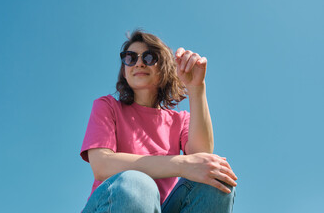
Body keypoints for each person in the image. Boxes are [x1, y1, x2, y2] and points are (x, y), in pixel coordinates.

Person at [80, 30, 237, 213]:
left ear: (164, 68)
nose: (138, 62)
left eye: (148, 57)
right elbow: (102, 164)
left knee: (216, 176)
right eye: (130, 58)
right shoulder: (107, 106)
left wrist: (196, 88)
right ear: (124, 71)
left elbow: (201, 161)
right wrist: (182, 164)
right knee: (138, 184)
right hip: (115, 204)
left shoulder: (180, 120)